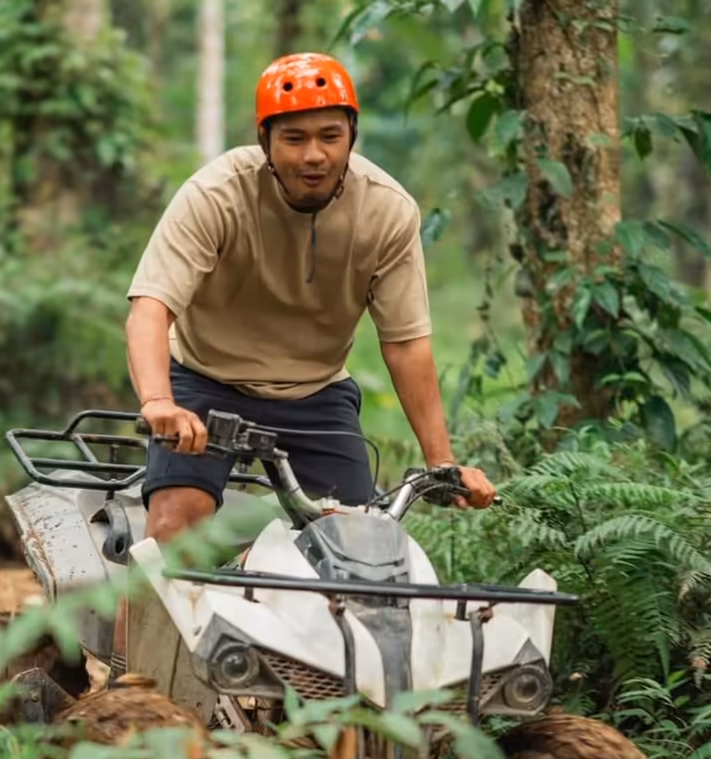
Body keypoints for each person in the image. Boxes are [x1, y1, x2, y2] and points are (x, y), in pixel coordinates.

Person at [113, 52, 496, 664]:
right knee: (175, 529)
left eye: (329, 136)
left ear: (352, 136)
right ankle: (132, 691)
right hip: (205, 380)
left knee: (364, 558)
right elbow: (150, 307)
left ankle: (336, 706)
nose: (312, 155)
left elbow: (405, 342)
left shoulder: (387, 211)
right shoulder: (217, 193)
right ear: (265, 140)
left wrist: (442, 463)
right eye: (293, 138)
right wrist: (159, 401)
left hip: (316, 393)